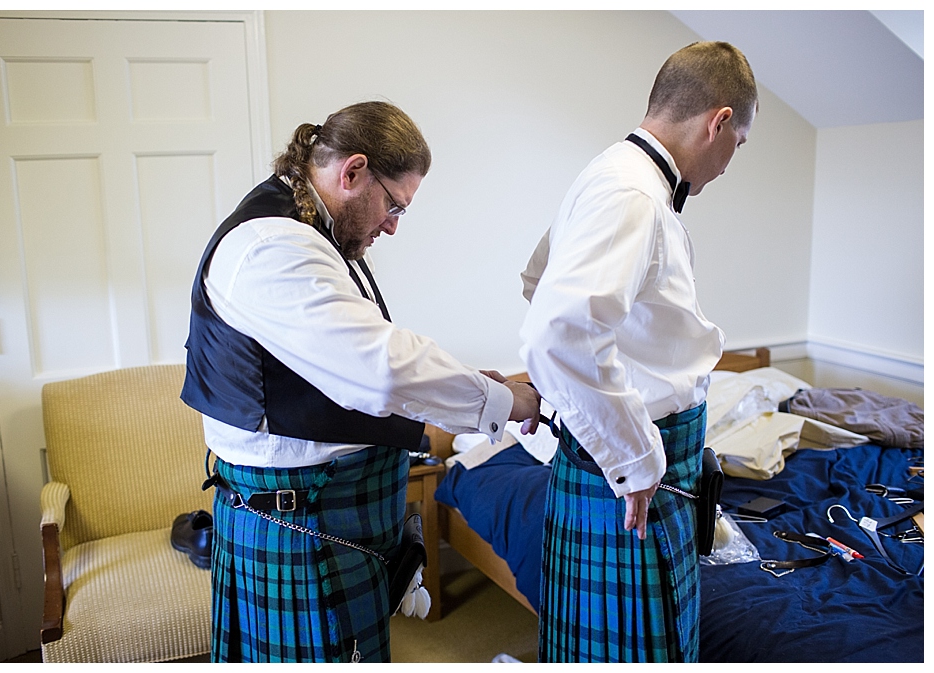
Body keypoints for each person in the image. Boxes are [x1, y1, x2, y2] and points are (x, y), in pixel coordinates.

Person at [180, 100, 540, 663]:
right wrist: (502, 399)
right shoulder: (271, 247)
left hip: (327, 513)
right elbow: (381, 366)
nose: (394, 225)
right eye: (394, 205)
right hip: (297, 522)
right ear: (352, 172)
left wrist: (472, 384)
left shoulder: (316, 231)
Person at [518, 42, 757, 662]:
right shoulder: (634, 195)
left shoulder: (608, 172)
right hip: (638, 471)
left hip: (637, 457)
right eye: (741, 144)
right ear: (720, 122)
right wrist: (634, 457)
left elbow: (536, 280)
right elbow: (556, 332)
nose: (732, 163)